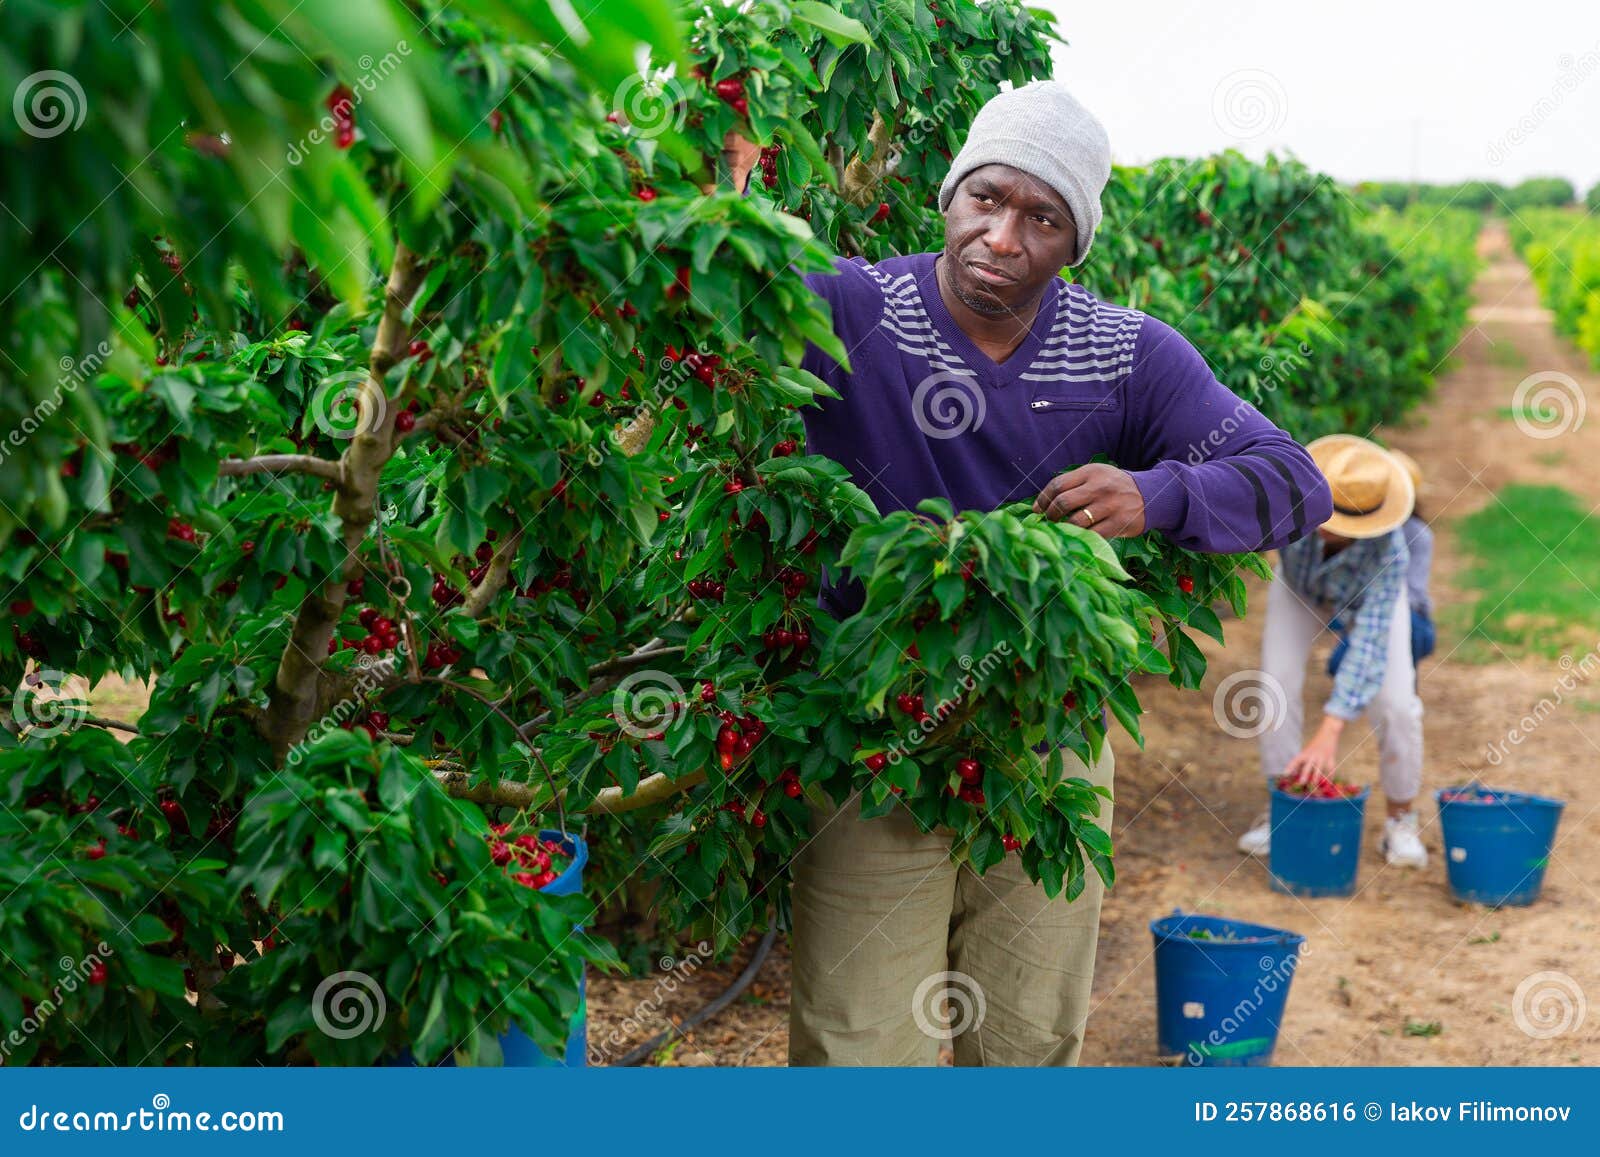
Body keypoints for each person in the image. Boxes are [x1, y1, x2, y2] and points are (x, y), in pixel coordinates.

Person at [722, 81, 1332, 1067]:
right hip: (872, 724)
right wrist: (728, 171)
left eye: (1040, 217)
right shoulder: (853, 308)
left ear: (1072, 241)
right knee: (858, 1040)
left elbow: (1296, 484)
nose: (1002, 235)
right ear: (950, 197)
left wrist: (1157, 494)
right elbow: (721, 261)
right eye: (986, 199)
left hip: (1045, 738)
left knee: (1024, 1034)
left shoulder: (1125, 356)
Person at [1236, 435, 1427, 868]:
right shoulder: (1291, 507)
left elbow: (1369, 647)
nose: (1324, 522)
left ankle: (1400, 819)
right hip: (1300, 590)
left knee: (1398, 705)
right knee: (1274, 685)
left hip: (1365, 599)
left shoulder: (1389, 553)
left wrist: (1331, 729)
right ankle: (1282, 808)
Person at [1326, 448, 1435, 675]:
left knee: (1407, 634)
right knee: (1339, 666)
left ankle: (1405, 679)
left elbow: (1414, 594)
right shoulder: (1357, 529)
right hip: (1359, 611)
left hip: (1407, 615)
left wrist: (1378, 607)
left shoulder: (1417, 535)